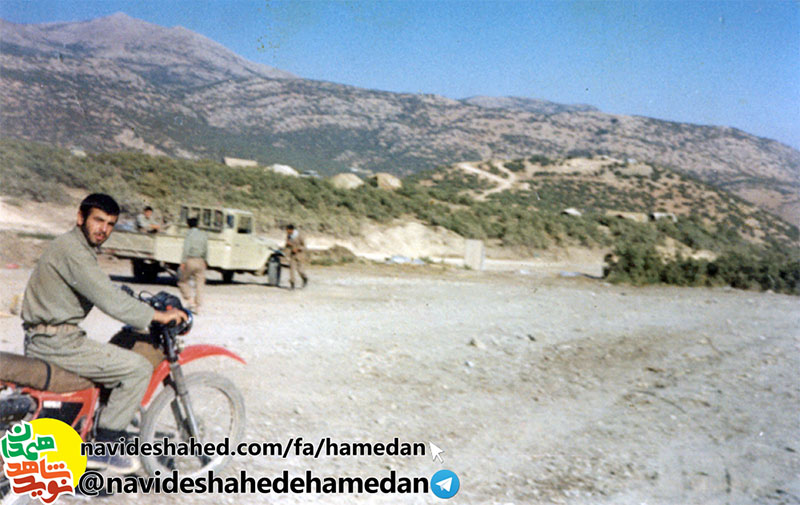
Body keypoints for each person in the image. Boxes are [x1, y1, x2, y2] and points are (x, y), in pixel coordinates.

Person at [21, 193, 187, 473]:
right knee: (137, 368)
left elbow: (101, 287)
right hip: (56, 343)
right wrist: (158, 315)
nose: (104, 229)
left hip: (53, 337)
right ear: (80, 218)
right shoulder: (73, 251)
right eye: (98, 220)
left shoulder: (75, 247)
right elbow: (109, 300)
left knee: (115, 356)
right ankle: (105, 446)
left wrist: (130, 299)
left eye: (110, 224)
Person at [178, 217, 207, 314]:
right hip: (201, 260)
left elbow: (186, 249)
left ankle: (190, 300)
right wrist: (205, 260)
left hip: (190, 260)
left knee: (182, 281)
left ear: (188, 225)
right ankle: (198, 306)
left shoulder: (189, 234)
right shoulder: (203, 235)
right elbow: (206, 248)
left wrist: (183, 261)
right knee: (200, 283)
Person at [284, 224, 308, 289]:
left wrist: (298, 249)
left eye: (287, 230)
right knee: (291, 270)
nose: (287, 231)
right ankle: (292, 284)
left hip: (300, 256)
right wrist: (286, 254)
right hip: (292, 256)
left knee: (300, 270)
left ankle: (305, 278)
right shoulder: (288, 236)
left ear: (291, 230)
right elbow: (287, 246)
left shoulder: (299, 236)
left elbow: (305, 246)